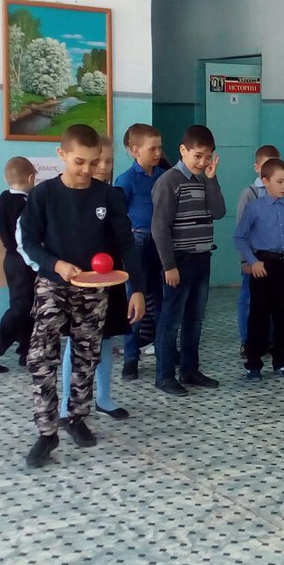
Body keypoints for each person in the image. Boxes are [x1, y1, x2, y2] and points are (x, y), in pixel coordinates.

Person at [19, 125, 146, 467]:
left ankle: (77, 418)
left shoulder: (109, 196)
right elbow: (29, 241)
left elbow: (125, 244)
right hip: (52, 284)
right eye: (79, 162)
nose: (88, 170)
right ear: (61, 155)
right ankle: (47, 432)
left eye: (94, 162)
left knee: (87, 356)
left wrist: (137, 289)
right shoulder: (43, 194)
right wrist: (55, 264)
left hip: (94, 289)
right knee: (40, 357)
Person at [150, 124, 226, 396]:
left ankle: (190, 370)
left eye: (208, 157)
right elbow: (159, 227)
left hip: (202, 259)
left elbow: (219, 211)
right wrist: (168, 265)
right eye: (198, 156)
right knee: (171, 320)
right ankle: (164, 376)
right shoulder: (169, 181)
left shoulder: (205, 179)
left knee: (195, 318)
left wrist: (212, 180)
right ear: (183, 150)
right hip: (179, 261)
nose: (203, 162)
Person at [60, 140, 132, 419]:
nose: (102, 167)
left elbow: (124, 239)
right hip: (79, 281)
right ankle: (67, 403)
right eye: (96, 161)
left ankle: (103, 398)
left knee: (106, 339)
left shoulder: (114, 195)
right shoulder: (71, 195)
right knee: (76, 341)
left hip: (110, 280)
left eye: (108, 161)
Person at [233, 157, 284, 380]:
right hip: (263, 264)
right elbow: (239, 237)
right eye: (279, 181)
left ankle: (282, 360)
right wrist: (252, 261)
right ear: (265, 181)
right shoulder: (254, 208)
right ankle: (253, 362)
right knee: (258, 314)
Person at [114, 123, 167, 380]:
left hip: (161, 244)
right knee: (136, 301)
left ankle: (164, 351)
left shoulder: (164, 176)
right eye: (152, 148)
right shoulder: (126, 180)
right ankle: (131, 357)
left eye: (159, 148)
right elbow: (118, 217)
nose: (158, 153)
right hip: (138, 245)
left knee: (162, 301)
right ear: (135, 150)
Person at [0, 156, 37, 374]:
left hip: (11, 260)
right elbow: (23, 239)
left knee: (28, 306)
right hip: (22, 261)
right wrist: (36, 264)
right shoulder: (24, 205)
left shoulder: (5, 197)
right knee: (21, 308)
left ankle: (26, 350)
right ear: (31, 178)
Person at [236, 144, 280, 358]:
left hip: (275, 258)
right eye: (265, 166)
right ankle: (247, 340)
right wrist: (245, 260)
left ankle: (270, 339)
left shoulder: (279, 193)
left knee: (273, 299)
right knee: (248, 299)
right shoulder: (249, 194)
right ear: (257, 168)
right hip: (254, 258)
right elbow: (241, 229)